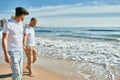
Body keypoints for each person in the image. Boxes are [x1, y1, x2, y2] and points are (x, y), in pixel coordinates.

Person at [2, 7, 29, 80]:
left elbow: (19, 36)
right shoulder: (8, 23)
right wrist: (5, 54)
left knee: (20, 72)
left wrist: (23, 45)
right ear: (21, 15)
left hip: (20, 51)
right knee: (16, 72)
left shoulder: (21, 24)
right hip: (12, 52)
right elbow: (4, 38)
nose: (24, 18)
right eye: (24, 16)